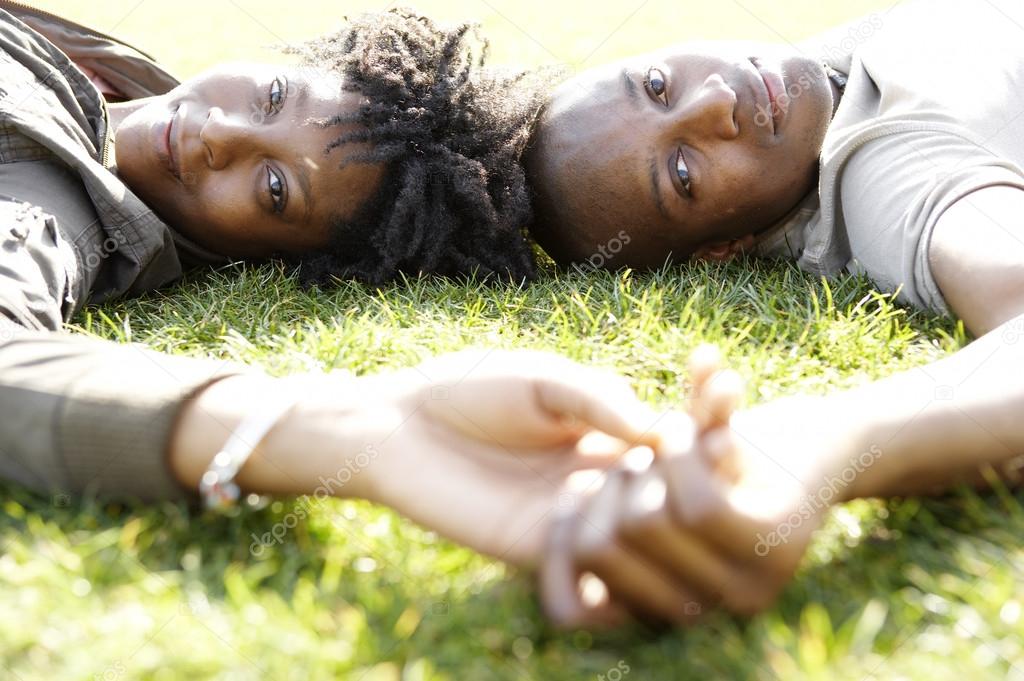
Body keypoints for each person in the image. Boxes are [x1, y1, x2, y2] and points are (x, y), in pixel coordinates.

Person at [0, 4, 671, 571]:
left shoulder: (40, 204)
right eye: (273, 97)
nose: (220, 132)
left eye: (273, 189)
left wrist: (339, 433)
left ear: (268, 255)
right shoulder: (115, 76)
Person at [525, 0, 1024, 627]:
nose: (713, 99)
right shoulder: (893, 162)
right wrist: (811, 447)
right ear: (721, 250)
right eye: (683, 171)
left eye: (656, 85)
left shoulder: (793, 90)